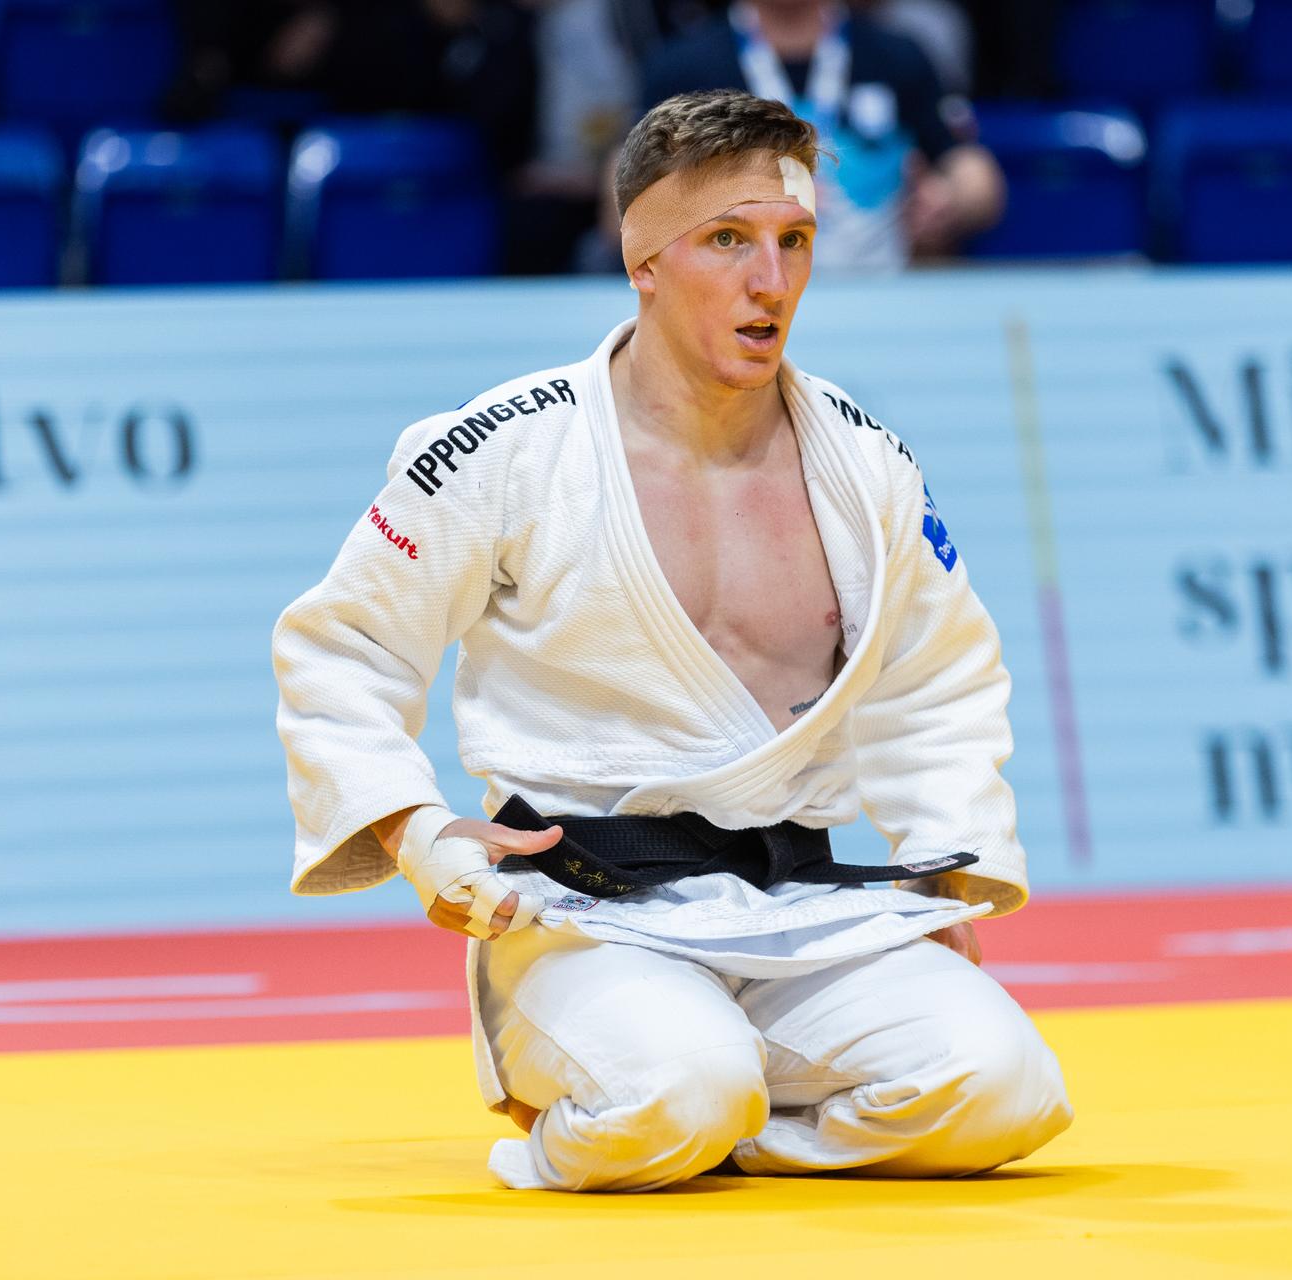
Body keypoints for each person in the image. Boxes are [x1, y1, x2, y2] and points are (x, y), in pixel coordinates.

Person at [272, 88, 1071, 1192]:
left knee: (1004, 1086)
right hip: (580, 911)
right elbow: (342, 645)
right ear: (643, 258)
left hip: (804, 908)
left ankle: (746, 1132)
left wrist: (948, 868)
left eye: (795, 241)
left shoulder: (863, 460)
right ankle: (602, 1124)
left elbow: (936, 677)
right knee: (673, 1093)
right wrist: (418, 832)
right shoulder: (506, 448)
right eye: (729, 241)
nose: (772, 281)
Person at [635, 0, 1005, 269]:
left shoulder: (897, 56)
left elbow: (973, 173)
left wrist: (951, 198)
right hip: (732, 304)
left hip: (879, 294)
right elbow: (622, 197)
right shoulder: (684, 69)